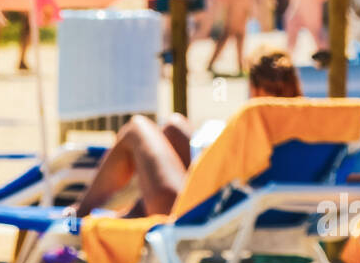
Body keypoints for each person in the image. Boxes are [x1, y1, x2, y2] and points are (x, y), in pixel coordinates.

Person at [73, 50, 302, 220]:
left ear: (254, 88)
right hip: (254, 213)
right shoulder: (308, 131)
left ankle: (77, 216)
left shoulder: (256, 120)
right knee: (173, 127)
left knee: (138, 127)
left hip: (200, 213)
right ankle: (129, 214)